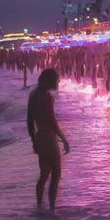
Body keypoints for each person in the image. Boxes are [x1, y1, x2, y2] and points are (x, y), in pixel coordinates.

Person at [27, 68, 70, 210]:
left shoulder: (33, 95)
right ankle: (52, 208)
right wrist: (64, 139)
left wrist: (34, 141)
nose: (59, 81)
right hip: (49, 138)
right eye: (57, 79)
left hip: (39, 137)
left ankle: (39, 206)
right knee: (56, 173)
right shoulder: (47, 97)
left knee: (44, 175)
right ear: (51, 81)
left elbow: (29, 121)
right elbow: (52, 121)